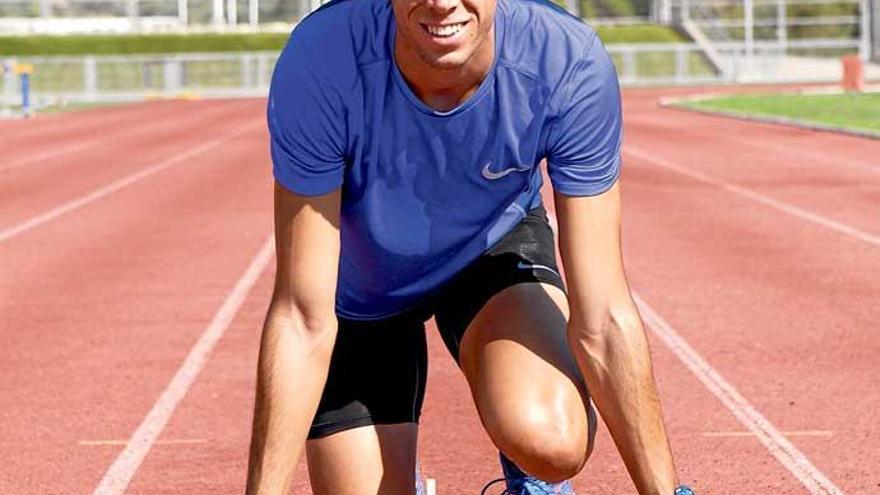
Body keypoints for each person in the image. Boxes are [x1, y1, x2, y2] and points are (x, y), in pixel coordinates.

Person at [245, 0, 694, 493]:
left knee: (553, 438)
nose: (440, 2)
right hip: (362, 286)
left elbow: (604, 316)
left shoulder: (566, 61)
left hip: (489, 252)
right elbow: (301, 317)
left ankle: (529, 474)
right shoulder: (322, 59)